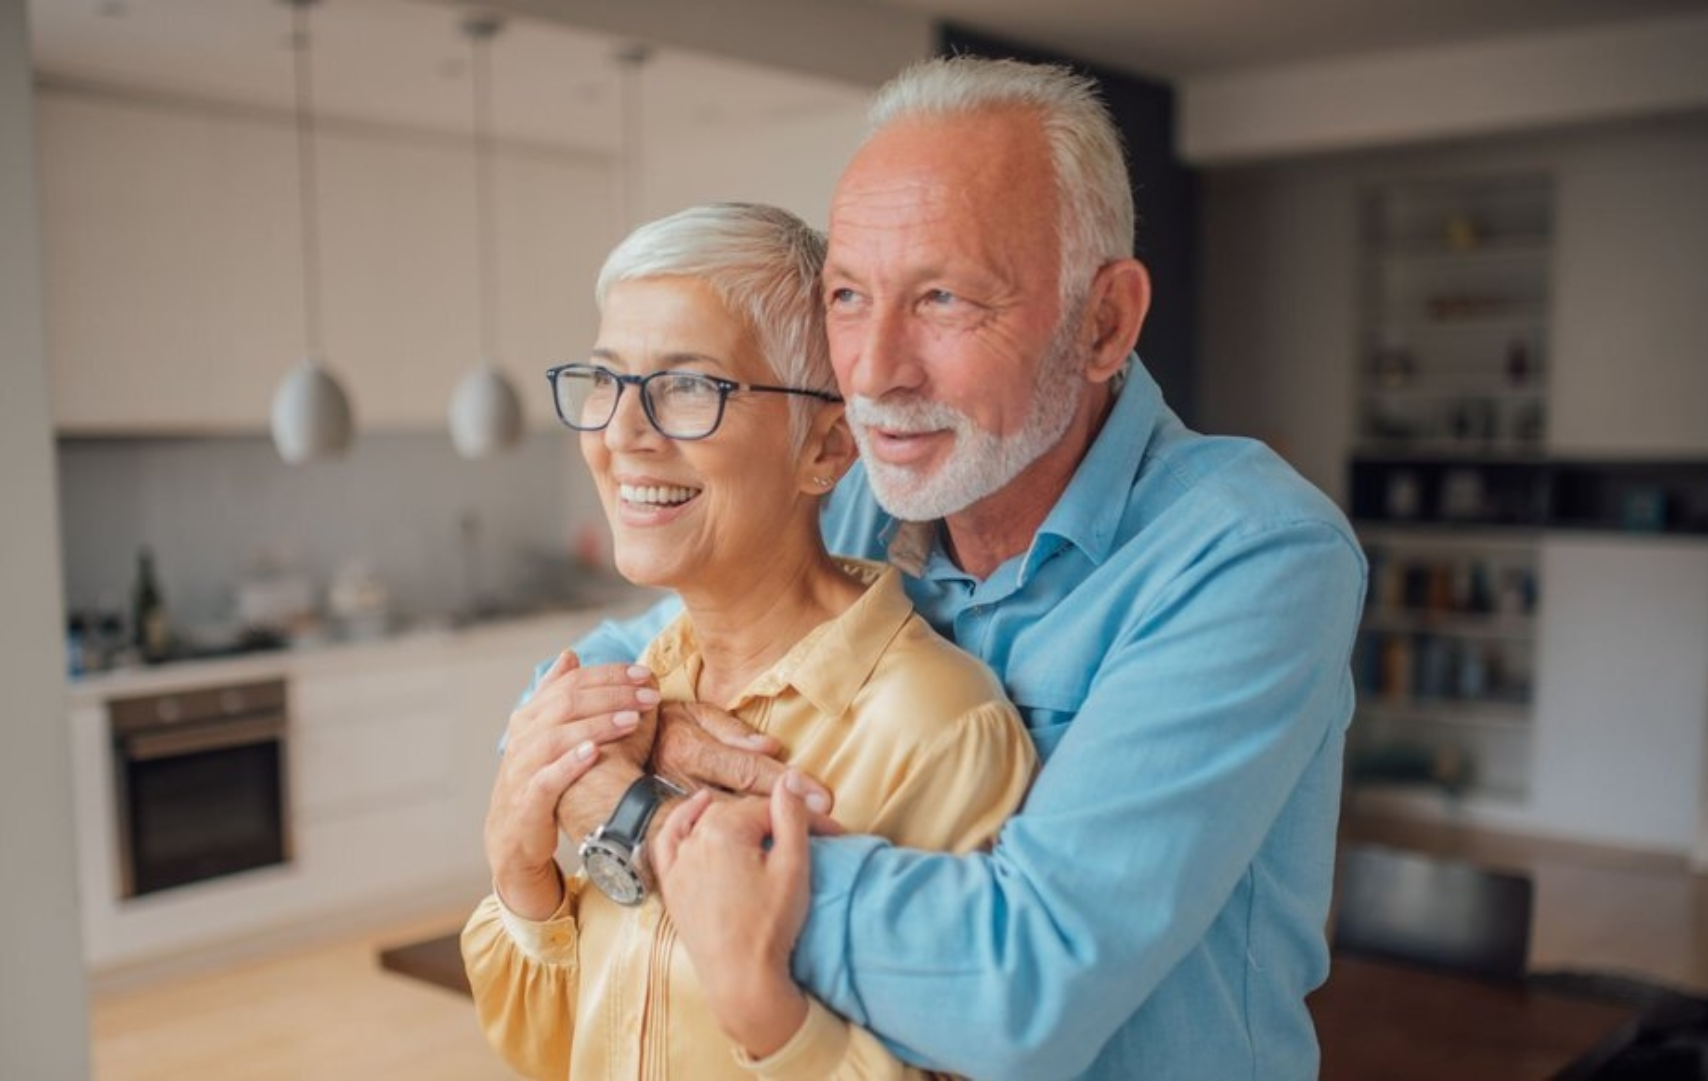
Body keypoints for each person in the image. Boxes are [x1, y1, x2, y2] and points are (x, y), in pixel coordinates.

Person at [518, 57, 1366, 1078]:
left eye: (944, 299)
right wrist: (631, 735)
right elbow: (572, 689)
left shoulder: (1251, 552)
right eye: (848, 295)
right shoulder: (863, 493)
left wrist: (651, 823)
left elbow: (1022, 986)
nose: (873, 371)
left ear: (1103, 322)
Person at [460, 202, 1036, 1078]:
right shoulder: (644, 686)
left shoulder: (940, 729)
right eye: (605, 380)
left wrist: (765, 1014)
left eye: (689, 387)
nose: (621, 434)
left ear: (827, 447)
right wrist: (520, 873)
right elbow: (562, 1049)